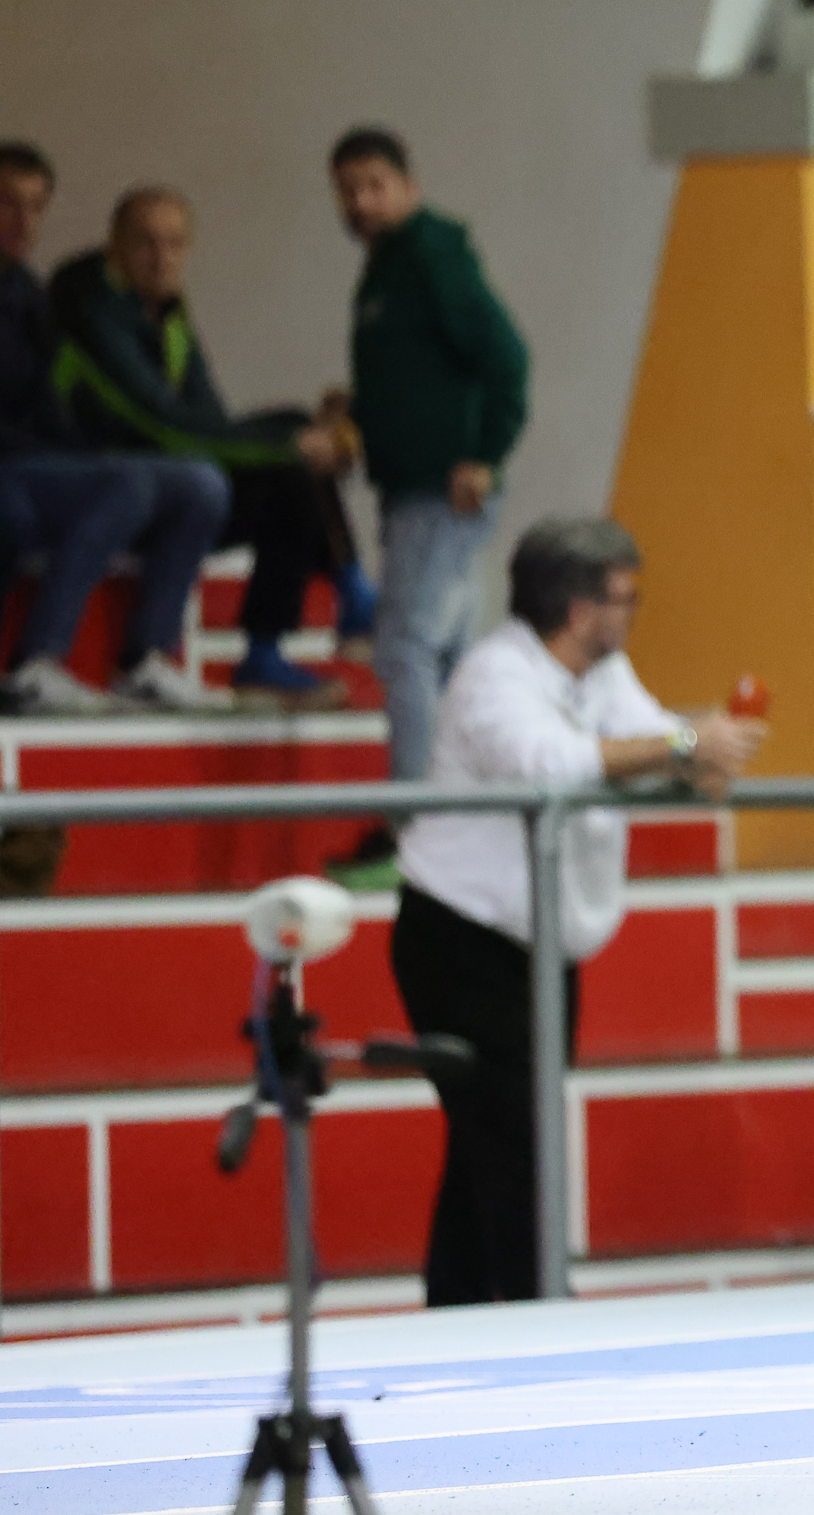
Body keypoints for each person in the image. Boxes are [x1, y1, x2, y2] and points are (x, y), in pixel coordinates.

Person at [388, 518, 764, 1304]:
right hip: (460, 939)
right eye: (625, 598)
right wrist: (686, 747)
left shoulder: (605, 673)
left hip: (536, 945)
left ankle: (457, 1315)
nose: (633, 613)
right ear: (578, 608)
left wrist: (698, 752)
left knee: (490, 1145)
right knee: (513, 1144)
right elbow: (550, 765)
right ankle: (536, 1319)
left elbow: (648, 734)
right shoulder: (494, 676)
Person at [51, 187, 374, 707]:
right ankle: (350, 595)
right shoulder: (91, 314)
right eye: (146, 243)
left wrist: (301, 435)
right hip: (109, 490)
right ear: (115, 246)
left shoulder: (170, 315)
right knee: (283, 460)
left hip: (174, 487)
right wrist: (291, 445)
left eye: (175, 243)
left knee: (290, 447)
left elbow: (211, 421)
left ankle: (273, 647)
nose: (162, 258)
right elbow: (165, 428)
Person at [332, 127, 530, 796]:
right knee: (445, 656)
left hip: (442, 490)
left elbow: (506, 357)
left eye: (374, 186)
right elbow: (420, 375)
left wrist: (486, 456)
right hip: (413, 489)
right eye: (348, 190)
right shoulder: (387, 267)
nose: (361, 202)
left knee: (406, 648)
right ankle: (457, 802)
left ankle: (418, 812)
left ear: (408, 188)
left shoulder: (431, 257)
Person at [0, 145, 229, 716]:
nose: (23, 222)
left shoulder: (29, 293)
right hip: (12, 468)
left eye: (35, 207)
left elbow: (53, 406)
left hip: (41, 463)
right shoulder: (70, 297)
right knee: (126, 483)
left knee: (200, 484)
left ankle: (147, 660)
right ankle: (35, 662)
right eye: (6, 203)